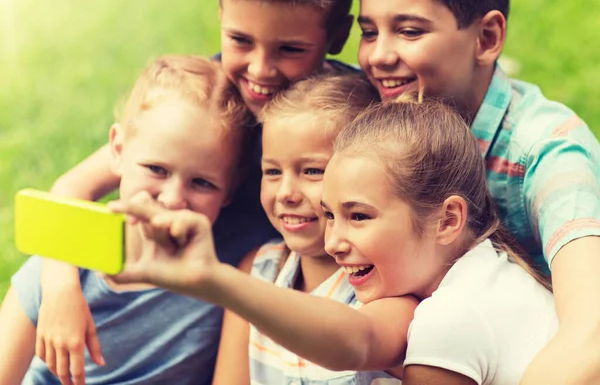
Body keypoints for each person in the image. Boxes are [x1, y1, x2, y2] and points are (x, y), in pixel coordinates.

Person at [34, 0, 358, 383]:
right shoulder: (214, 105)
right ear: (222, 14)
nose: (260, 70)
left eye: (290, 49)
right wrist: (59, 290)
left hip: (279, 299)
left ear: (337, 35)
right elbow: (72, 189)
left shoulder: (347, 114)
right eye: (240, 40)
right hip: (185, 297)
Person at [109, 94, 558, 385]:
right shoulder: (492, 268)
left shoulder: (448, 319)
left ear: (448, 220)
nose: (335, 240)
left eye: (358, 216)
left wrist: (212, 279)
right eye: (330, 214)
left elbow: (357, 339)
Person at [351, 0, 600, 382]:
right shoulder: (377, 121)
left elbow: (590, 335)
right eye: (368, 31)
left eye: (409, 31)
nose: (378, 56)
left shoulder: (548, 152)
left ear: (486, 38)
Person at [0, 55, 258, 385]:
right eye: (156, 169)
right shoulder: (58, 269)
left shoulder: (237, 266)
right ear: (118, 151)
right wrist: (60, 289)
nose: (172, 199)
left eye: (203, 183)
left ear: (231, 189)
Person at [213, 73, 401, 384]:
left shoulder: (383, 290)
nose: (286, 192)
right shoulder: (258, 272)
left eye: (312, 170)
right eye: (272, 171)